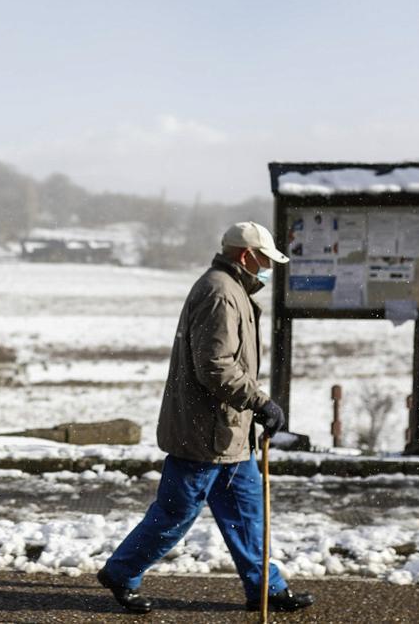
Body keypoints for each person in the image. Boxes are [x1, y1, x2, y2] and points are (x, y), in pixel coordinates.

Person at [96, 221, 314, 614]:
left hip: (230, 432)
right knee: (175, 514)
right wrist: (260, 402)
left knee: (247, 514)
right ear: (246, 256)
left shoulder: (232, 290)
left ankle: (267, 589)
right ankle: (122, 571)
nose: (267, 268)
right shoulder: (220, 293)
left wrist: (252, 409)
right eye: (264, 260)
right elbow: (214, 367)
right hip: (204, 434)